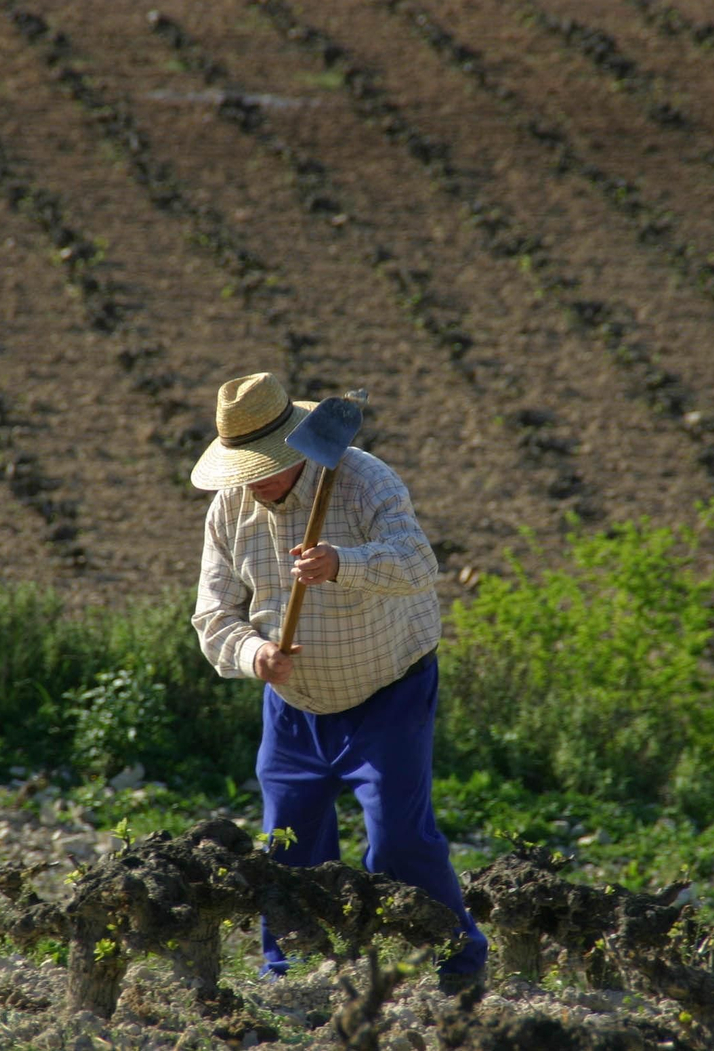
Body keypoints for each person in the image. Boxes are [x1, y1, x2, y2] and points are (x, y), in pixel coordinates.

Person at [189, 371, 489, 990]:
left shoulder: (360, 478)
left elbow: (417, 563)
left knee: (400, 840)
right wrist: (255, 655)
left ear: (297, 446)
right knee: (289, 845)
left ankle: (456, 969)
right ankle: (295, 976)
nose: (256, 483)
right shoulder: (231, 508)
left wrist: (340, 564)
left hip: (389, 692)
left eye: (264, 467)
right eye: (244, 471)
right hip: (293, 705)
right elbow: (213, 613)